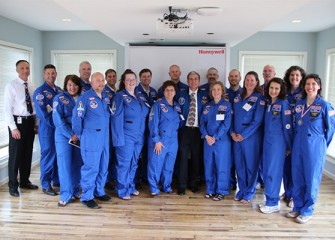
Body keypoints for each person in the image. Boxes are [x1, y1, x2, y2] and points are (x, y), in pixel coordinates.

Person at [286, 74, 335, 224]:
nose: (310, 87)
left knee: (311, 179)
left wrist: (320, 146)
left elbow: (331, 129)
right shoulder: (299, 104)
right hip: (298, 145)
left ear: (319, 86)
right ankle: (298, 207)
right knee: (298, 177)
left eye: (313, 84)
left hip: (314, 147)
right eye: (308, 84)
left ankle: (308, 210)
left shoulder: (325, 105)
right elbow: (295, 126)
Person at [72, 72, 111, 209]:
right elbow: (77, 119)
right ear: (91, 82)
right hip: (91, 137)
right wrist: (82, 136)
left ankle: (99, 191)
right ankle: (87, 196)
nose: (101, 83)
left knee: (103, 166)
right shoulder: (85, 98)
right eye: (98, 81)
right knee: (91, 167)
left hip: (104, 137)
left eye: (102, 80)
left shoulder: (105, 97)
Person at [111, 69, 150, 200]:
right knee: (124, 163)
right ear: (123, 81)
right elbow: (116, 119)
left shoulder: (139, 95)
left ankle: (130, 185)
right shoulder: (120, 96)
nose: (131, 82)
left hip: (139, 135)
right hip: (126, 136)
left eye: (133, 79)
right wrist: (118, 139)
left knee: (134, 163)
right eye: (128, 79)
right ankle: (122, 190)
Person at [4, 60, 39, 197]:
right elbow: (7, 110)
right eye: (22, 68)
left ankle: (25, 181)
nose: (25, 70)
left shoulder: (31, 85)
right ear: (17, 70)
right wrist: (13, 128)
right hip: (17, 124)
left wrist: (36, 122)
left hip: (29, 122)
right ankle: (13, 185)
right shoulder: (11, 86)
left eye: (27, 68)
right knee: (15, 156)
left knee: (27, 153)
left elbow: (34, 107)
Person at [230, 71, 265, 204]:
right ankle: (242, 190)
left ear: (256, 82)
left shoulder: (259, 98)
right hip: (236, 137)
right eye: (247, 80)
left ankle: (249, 192)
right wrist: (233, 133)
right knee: (239, 165)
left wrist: (243, 135)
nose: (249, 82)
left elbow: (258, 121)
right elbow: (232, 116)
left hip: (250, 137)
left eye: (252, 80)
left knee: (251, 165)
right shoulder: (238, 97)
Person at [259, 78, 293, 214]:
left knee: (274, 172)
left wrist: (288, 146)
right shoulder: (269, 103)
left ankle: (273, 202)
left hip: (278, 145)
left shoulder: (284, 104)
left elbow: (288, 127)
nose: (273, 91)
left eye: (276, 88)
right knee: (267, 171)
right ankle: (270, 199)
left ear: (281, 90)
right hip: (267, 142)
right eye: (271, 88)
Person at [147, 80, 183, 196]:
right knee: (156, 164)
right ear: (163, 92)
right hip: (161, 140)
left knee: (169, 165)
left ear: (175, 92)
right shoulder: (158, 105)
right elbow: (153, 123)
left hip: (173, 140)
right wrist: (156, 140)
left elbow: (180, 122)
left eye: (172, 90)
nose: (169, 92)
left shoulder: (177, 106)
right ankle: (153, 187)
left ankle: (166, 186)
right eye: (167, 90)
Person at [177, 71, 210, 195]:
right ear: (187, 81)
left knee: (197, 158)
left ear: (199, 81)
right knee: (183, 158)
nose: (193, 81)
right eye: (190, 79)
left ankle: (194, 183)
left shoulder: (205, 96)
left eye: (195, 79)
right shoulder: (181, 94)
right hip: (184, 130)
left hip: (198, 131)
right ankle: (181, 184)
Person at [53, 74, 83, 207]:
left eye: (75, 84)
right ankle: (66, 194)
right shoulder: (59, 98)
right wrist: (71, 135)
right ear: (66, 85)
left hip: (79, 135)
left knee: (77, 164)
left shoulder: (83, 98)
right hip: (63, 135)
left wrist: (78, 134)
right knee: (64, 165)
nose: (72, 87)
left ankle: (76, 190)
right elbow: (58, 120)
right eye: (70, 84)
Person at [33, 64, 63, 196]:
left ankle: (56, 180)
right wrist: (58, 124)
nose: (51, 76)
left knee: (58, 155)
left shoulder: (59, 90)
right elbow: (43, 114)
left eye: (53, 73)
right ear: (44, 75)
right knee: (48, 155)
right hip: (48, 130)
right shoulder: (40, 92)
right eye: (48, 73)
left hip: (59, 129)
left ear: (56, 74)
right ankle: (45, 184)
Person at [200, 81, 232, 201]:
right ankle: (210, 189)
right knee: (209, 165)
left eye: (218, 89)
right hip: (208, 141)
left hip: (221, 141)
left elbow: (226, 124)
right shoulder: (207, 106)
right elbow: (202, 123)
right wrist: (206, 136)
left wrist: (216, 137)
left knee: (221, 165)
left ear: (222, 91)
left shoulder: (227, 106)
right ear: (211, 92)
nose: (216, 92)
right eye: (214, 89)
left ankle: (221, 190)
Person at [282, 65, 306, 208]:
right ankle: (288, 191)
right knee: (286, 166)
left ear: (301, 77)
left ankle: (295, 197)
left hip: (297, 133)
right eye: (292, 75)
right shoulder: (284, 91)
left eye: (297, 75)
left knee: (296, 167)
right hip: (285, 133)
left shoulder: (303, 93)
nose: (294, 78)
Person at [135, 68, 158, 188]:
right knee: (138, 154)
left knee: (148, 154)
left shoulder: (154, 91)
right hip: (140, 128)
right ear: (140, 78)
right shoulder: (136, 90)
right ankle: (136, 179)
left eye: (148, 76)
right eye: (144, 76)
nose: (146, 78)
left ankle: (145, 177)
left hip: (151, 128)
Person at [226, 69, 242, 190]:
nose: (233, 78)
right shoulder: (224, 92)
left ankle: (243, 183)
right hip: (226, 131)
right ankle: (231, 181)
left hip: (240, 131)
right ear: (228, 78)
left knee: (241, 159)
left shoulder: (245, 93)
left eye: (236, 76)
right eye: (231, 76)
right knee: (228, 158)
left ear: (240, 78)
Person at [104, 69, 117, 189]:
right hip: (107, 128)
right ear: (106, 78)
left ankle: (112, 177)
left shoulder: (117, 91)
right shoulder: (104, 92)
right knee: (107, 154)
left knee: (114, 154)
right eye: (109, 76)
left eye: (114, 76)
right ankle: (106, 179)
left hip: (116, 128)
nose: (112, 78)